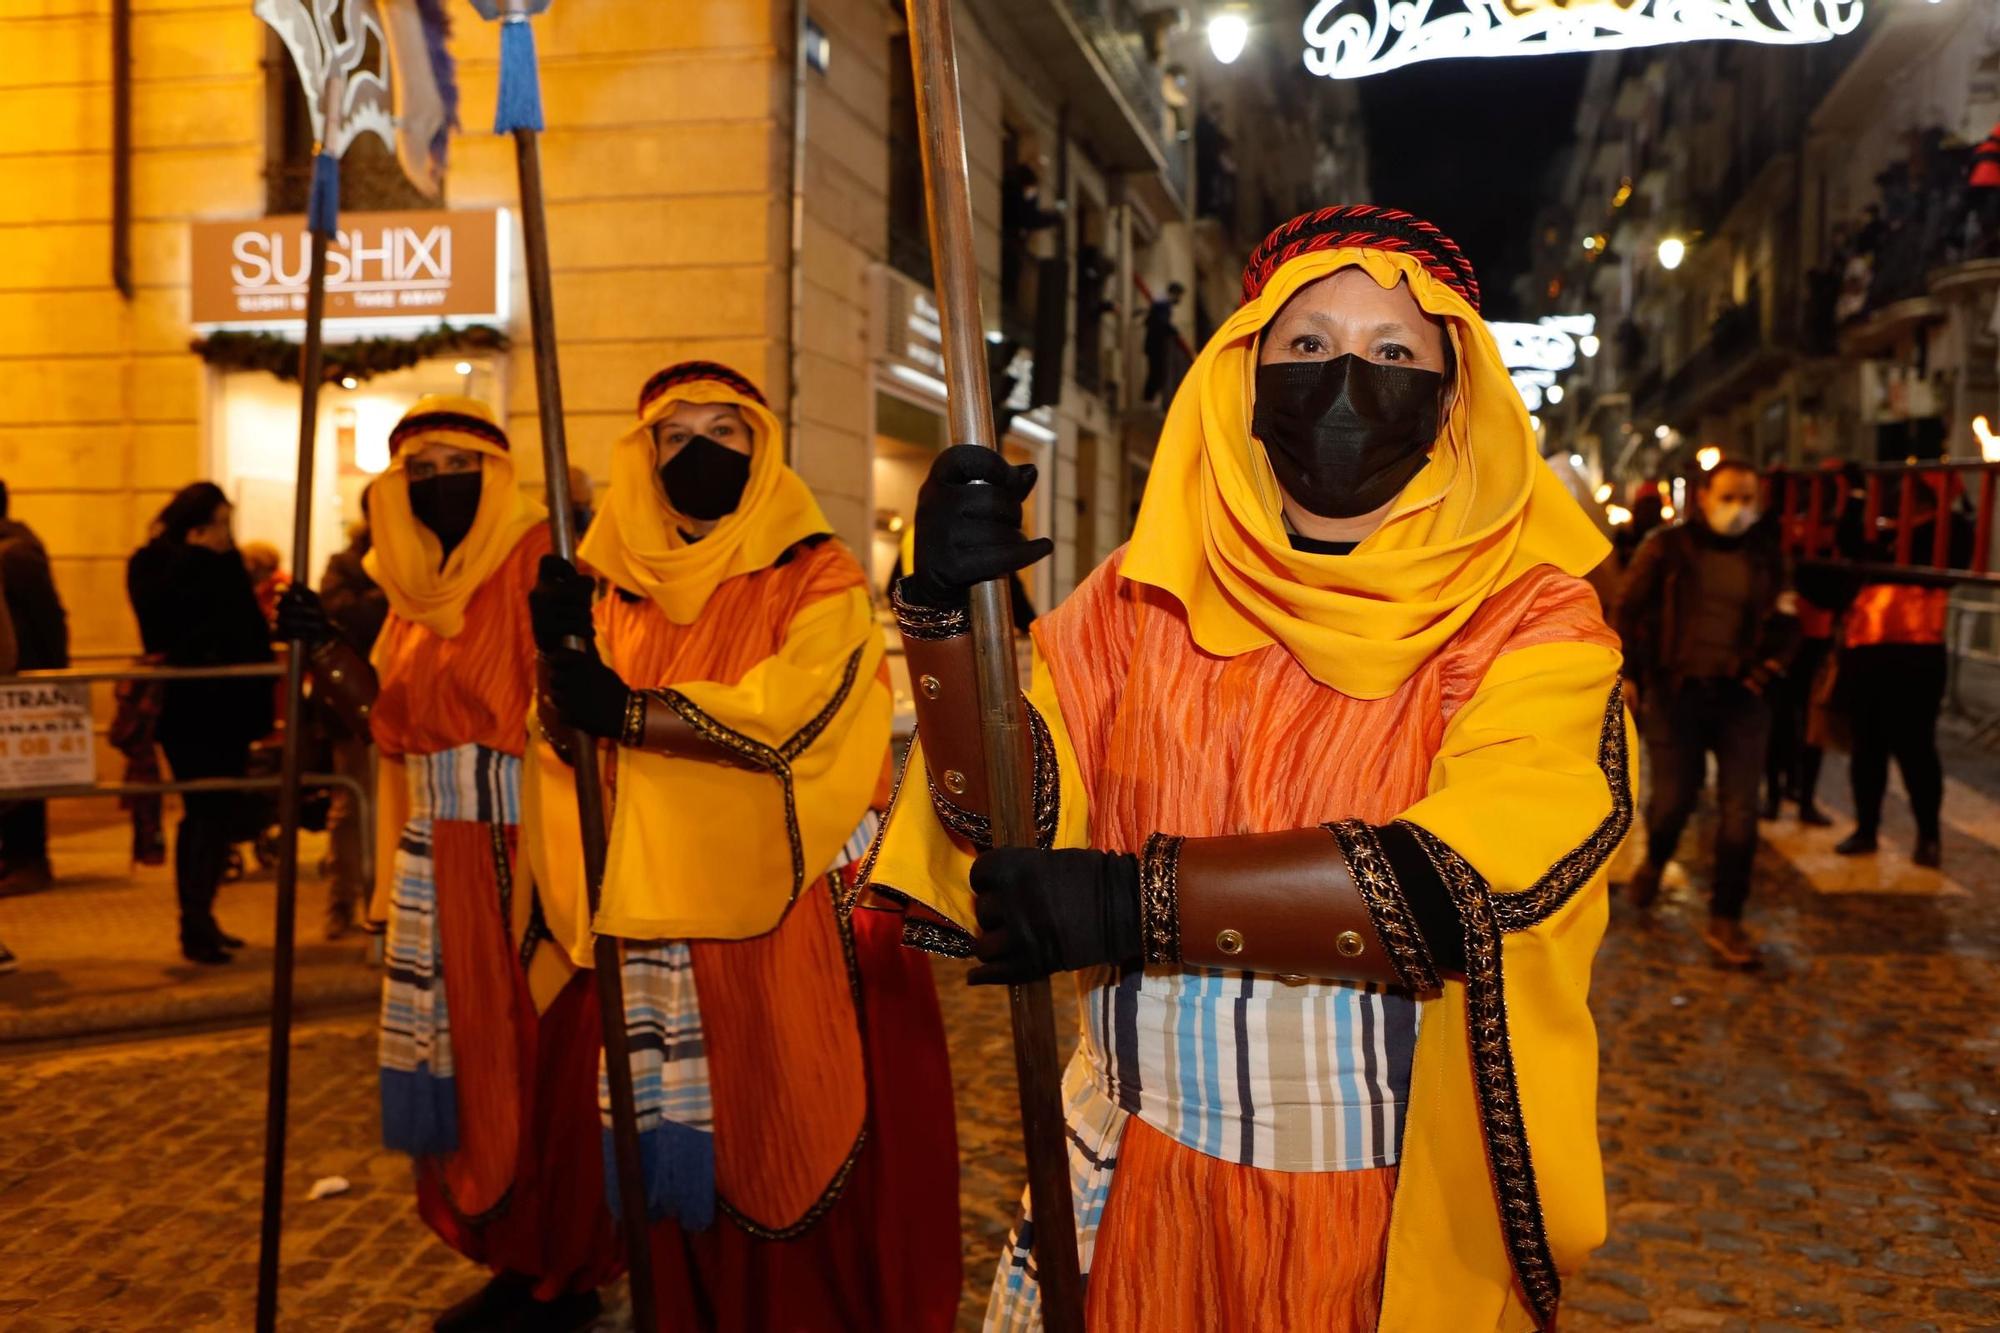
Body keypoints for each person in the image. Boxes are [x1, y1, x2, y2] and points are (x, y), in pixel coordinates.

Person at [867, 207, 1628, 1329]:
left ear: (1450, 392)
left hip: (1359, 1212)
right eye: (1308, 347)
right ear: (1247, 375)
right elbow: (1004, 817)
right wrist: (943, 619)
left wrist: (1136, 901)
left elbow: (1464, 883)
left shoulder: (1531, 618)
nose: (1346, 381)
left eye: (1392, 353)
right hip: (1127, 1172)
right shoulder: (1141, 592)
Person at [529, 360, 960, 1332]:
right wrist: (560, 670)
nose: (699, 454)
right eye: (674, 437)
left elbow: (801, 713)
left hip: (794, 910)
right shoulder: (611, 592)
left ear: (761, 447)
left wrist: (632, 711)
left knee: (792, 1133)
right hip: (657, 912)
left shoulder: (818, 575)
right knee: (683, 1158)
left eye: (723, 432)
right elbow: (566, 750)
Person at [280, 397, 618, 1332]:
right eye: (417, 469)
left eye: (455, 462)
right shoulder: (411, 592)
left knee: (539, 1065)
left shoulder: (536, 563)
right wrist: (330, 655)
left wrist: (568, 635)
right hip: (442, 852)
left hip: (526, 858)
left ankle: (562, 1268)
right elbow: (392, 724)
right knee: (466, 1066)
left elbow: (567, 710)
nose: (437, 485)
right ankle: (514, 1256)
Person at [1616, 459, 1799, 964]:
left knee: (1741, 814)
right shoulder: (1666, 547)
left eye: (1748, 498)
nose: (1739, 509)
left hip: (1742, 698)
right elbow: (1628, 610)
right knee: (1674, 800)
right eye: (1729, 497)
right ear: (1703, 496)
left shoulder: (1766, 556)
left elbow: (1787, 621)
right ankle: (1655, 859)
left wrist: (1765, 672)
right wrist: (1630, 673)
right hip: (1677, 694)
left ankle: (1726, 919)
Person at [125, 483, 274, 965]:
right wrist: (202, 562)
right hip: (188, 711)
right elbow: (165, 624)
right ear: (195, 522)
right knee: (203, 813)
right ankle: (194, 924)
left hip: (228, 712)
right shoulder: (155, 563)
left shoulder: (224, 565)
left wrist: (222, 564)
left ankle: (205, 917)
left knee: (220, 814)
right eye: (219, 524)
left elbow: (246, 629)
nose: (227, 536)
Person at [1833, 476, 1969, 867]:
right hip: (1868, 651)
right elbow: (1850, 545)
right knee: (1867, 747)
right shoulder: (1885, 534)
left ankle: (1928, 835)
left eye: (1908, 495)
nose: (1896, 502)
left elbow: (1955, 551)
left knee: (1916, 748)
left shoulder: (1947, 531)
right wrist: (1855, 497)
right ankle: (1866, 828)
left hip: (1917, 654)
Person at [317, 519, 388, 938]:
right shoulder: (346, 564)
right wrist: (383, 599)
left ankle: (380, 903)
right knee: (351, 808)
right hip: (353, 708)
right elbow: (343, 618)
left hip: (402, 703)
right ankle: (342, 900)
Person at [0, 479, 70, 896]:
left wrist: (55, 676)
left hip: (23, 681)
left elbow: (47, 619)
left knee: (23, 775)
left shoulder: (16, 554)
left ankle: (29, 860)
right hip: (20, 677)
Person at [1141, 280, 1186, 403]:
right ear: (1174, 293)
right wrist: (1174, 330)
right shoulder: (1163, 304)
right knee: (1156, 372)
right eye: (1179, 295)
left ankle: (1150, 400)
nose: (1179, 299)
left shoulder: (1161, 303)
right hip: (1156, 345)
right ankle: (1149, 401)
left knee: (1156, 372)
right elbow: (1161, 323)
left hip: (1154, 345)